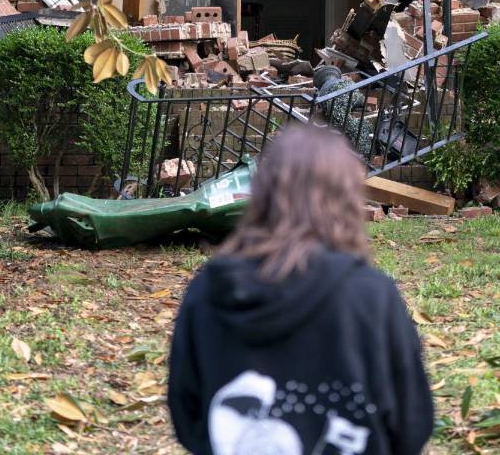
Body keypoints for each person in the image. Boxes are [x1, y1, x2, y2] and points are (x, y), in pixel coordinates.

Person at [168, 124, 433, 455]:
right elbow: (412, 424)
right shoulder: (372, 295)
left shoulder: (206, 289)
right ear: (346, 198)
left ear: (263, 193)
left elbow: (186, 416)